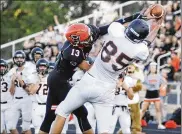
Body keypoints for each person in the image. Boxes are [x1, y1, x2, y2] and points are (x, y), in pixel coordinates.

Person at [39, 6, 153, 134]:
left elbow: (107, 27)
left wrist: (132, 17)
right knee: (78, 113)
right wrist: (112, 66)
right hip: (59, 81)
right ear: (76, 42)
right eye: (86, 39)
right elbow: (87, 67)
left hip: (62, 79)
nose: (91, 39)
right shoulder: (71, 52)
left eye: (89, 36)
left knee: (51, 116)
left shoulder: (88, 33)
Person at [7, 50, 39, 134]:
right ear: (14, 59)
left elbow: (30, 91)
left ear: (24, 59)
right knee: (10, 127)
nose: (19, 60)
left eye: (21, 58)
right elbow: (11, 92)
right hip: (15, 100)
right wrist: (12, 82)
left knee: (25, 128)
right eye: (17, 58)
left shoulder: (29, 70)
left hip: (26, 100)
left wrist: (21, 81)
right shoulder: (12, 71)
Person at [141, 62, 167, 129]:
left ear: (156, 68)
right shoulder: (146, 76)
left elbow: (164, 83)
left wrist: (161, 88)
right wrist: (144, 87)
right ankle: (136, 123)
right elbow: (142, 84)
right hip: (148, 94)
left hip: (156, 94)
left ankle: (160, 124)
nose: (153, 68)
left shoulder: (159, 76)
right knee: (143, 109)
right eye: (152, 67)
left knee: (158, 109)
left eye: (154, 67)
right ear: (150, 68)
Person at [28, 58, 49, 133]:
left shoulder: (50, 77)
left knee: (48, 129)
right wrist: (39, 80)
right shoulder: (33, 77)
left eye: (44, 66)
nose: (42, 68)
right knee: (37, 129)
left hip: (47, 105)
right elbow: (31, 91)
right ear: (37, 67)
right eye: (41, 66)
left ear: (47, 67)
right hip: (36, 106)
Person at [0, 59, 13, 134]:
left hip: (9, 104)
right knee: (1, 129)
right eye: (0, 67)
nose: (1, 68)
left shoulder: (10, 76)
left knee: (10, 128)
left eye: (3, 67)